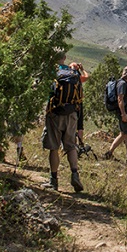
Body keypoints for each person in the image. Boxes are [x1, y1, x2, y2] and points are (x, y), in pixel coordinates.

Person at [41, 62, 85, 192]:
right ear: (64, 58)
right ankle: (75, 174)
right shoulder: (74, 75)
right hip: (71, 114)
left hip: (56, 113)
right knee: (71, 146)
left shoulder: (54, 74)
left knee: (54, 147)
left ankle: (53, 180)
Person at [103, 65, 127, 166]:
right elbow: (120, 99)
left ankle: (109, 153)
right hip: (123, 112)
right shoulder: (122, 84)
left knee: (123, 134)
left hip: (123, 112)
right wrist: (123, 114)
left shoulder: (121, 83)